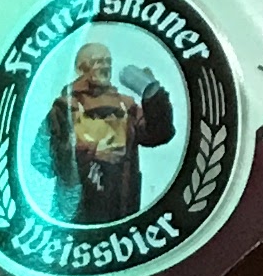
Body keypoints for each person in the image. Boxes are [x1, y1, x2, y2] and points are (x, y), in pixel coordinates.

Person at [40, 33, 174, 222]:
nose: (105, 66)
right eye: (97, 61)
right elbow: (41, 159)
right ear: (80, 68)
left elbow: (158, 134)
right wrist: (88, 153)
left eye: (108, 61)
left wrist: (154, 98)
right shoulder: (64, 107)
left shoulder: (126, 106)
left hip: (123, 204)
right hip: (78, 209)